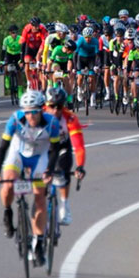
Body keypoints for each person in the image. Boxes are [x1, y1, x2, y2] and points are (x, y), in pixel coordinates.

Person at [0, 91, 62, 264]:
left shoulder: (51, 122)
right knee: (7, 185)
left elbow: (54, 151)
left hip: (41, 156)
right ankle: (8, 212)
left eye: (34, 111)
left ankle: (38, 242)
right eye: (27, 111)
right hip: (18, 154)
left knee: (40, 197)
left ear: (41, 110)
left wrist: (49, 172)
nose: (31, 115)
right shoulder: (15, 119)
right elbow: (3, 147)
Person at [44, 86, 86, 226]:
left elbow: (78, 147)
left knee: (64, 167)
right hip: (43, 147)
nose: (56, 110)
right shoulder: (39, 115)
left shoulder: (70, 119)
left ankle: (64, 204)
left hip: (62, 146)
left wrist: (80, 166)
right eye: (52, 106)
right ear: (46, 105)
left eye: (59, 107)